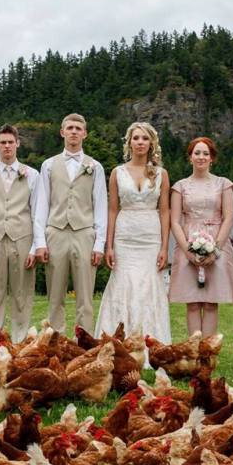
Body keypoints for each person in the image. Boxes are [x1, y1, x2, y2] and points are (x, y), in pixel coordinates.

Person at [96, 122, 171, 354]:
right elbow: (112, 210)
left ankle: (151, 344)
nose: (140, 142)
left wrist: (165, 247)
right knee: (123, 283)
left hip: (151, 237)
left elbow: (165, 211)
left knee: (149, 285)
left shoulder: (161, 174)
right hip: (124, 236)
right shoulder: (117, 173)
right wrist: (109, 245)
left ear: (151, 144)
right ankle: (119, 343)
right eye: (136, 138)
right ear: (129, 142)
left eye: (144, 138)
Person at [34, 113, 108, 334]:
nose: (74, 131)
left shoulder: (95, 167)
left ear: (84, 133)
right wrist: (40, 241)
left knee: (85, 297)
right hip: (55, 232)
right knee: (54, 295)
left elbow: (100, 206)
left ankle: (83, 347)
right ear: (62, 132)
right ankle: (55, 343)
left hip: (84, 233)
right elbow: (41, 205)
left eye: (78, 128)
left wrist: (99, 244)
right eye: (70, 128)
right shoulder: (48, 165)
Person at [0, 124, 40, 343]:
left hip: (23, 238)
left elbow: (37, 213)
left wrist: (35, 247)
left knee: (22, 294)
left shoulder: (32, 175)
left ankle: (20, 342)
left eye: (11, 142)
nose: (7, 146)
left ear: (18, 143)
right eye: (3, 142)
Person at [169, 137, 233, 337]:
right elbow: (175, 221)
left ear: (212, 158)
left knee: (210, 303)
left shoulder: (223, 184)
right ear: (190, 157)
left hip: (217, 240)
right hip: (188, 241)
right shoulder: (180, 186)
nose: (201, 157)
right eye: (197, 153)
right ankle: (194, 349)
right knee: (192, 303)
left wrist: (215, 249)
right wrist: (188, 252)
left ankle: (207, 351)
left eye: (205, 153)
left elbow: (228, 218)